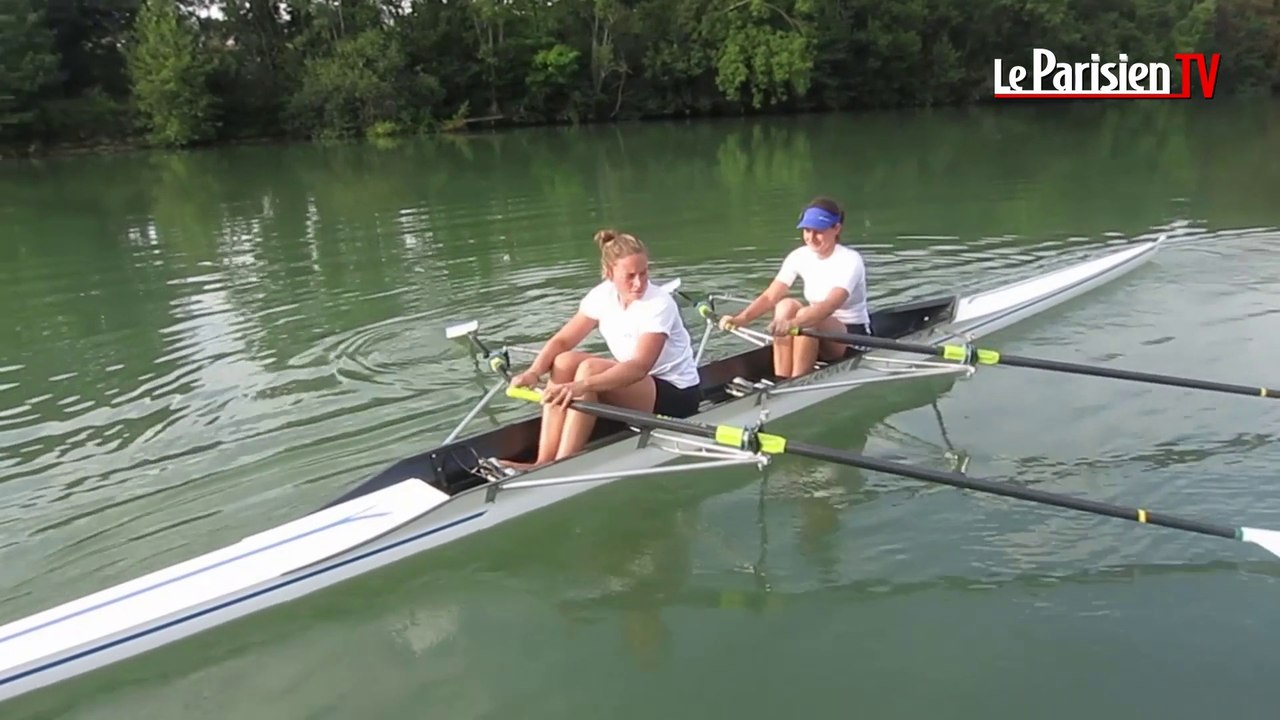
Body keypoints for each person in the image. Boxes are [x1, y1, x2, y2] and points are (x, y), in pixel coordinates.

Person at [504, 229, 703, 469]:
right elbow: (562, 342)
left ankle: (563, 464)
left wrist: (580, 386)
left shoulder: (659, 303)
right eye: (630, 276)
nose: (639, 282)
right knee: (564, 361)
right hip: (637, 387)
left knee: (588, 370)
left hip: (676, 394)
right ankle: (543, 461)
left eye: (644, 273)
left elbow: (639, 367)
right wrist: (534, 372)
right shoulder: (601, 296)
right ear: (609, 274)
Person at [718, 196, 871, 378]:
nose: (811, 237)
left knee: (805, 314)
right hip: (811, 329)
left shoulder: (850, 260)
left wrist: (793, 324)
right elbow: (770, 296)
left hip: (851, 338)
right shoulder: (798, 256)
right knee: (786, 305)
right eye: (807, 230)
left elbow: (829, 306)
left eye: (818, 231)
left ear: (836, 229)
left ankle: (798, 381)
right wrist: (740, 319)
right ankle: (781, 377)